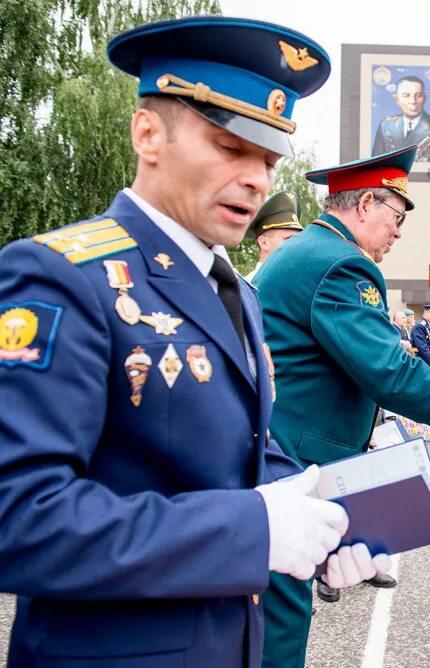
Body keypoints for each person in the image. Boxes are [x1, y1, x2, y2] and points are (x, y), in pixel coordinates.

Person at [0, 17, 390, 667]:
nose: (258, 180)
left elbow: (247, 455)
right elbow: (18, 519)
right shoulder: (62, 276)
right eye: (230, 147)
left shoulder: (233, 291)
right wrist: (255, 533)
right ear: (147, 134)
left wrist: (325, 519)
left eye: (268, 158)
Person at [254, 145, 430, 667]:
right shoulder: (340, 264)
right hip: (290, 462)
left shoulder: (302, 251)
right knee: (281, 623)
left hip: (273, 449)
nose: (398, 233)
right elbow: (389, 372)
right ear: (367, 204)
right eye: (396, 217)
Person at [372, 75, 430, 162]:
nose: (413, 101)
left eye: (418, 95)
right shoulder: (386, 125)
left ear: (424, 99)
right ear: (397, 100)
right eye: (406, 95)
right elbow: (374, 165)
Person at [245, 190, 303, 283]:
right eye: (288, 239)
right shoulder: (250, 286)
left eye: (298, 239)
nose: (296, 244)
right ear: (264, 243)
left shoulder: (299, 281)